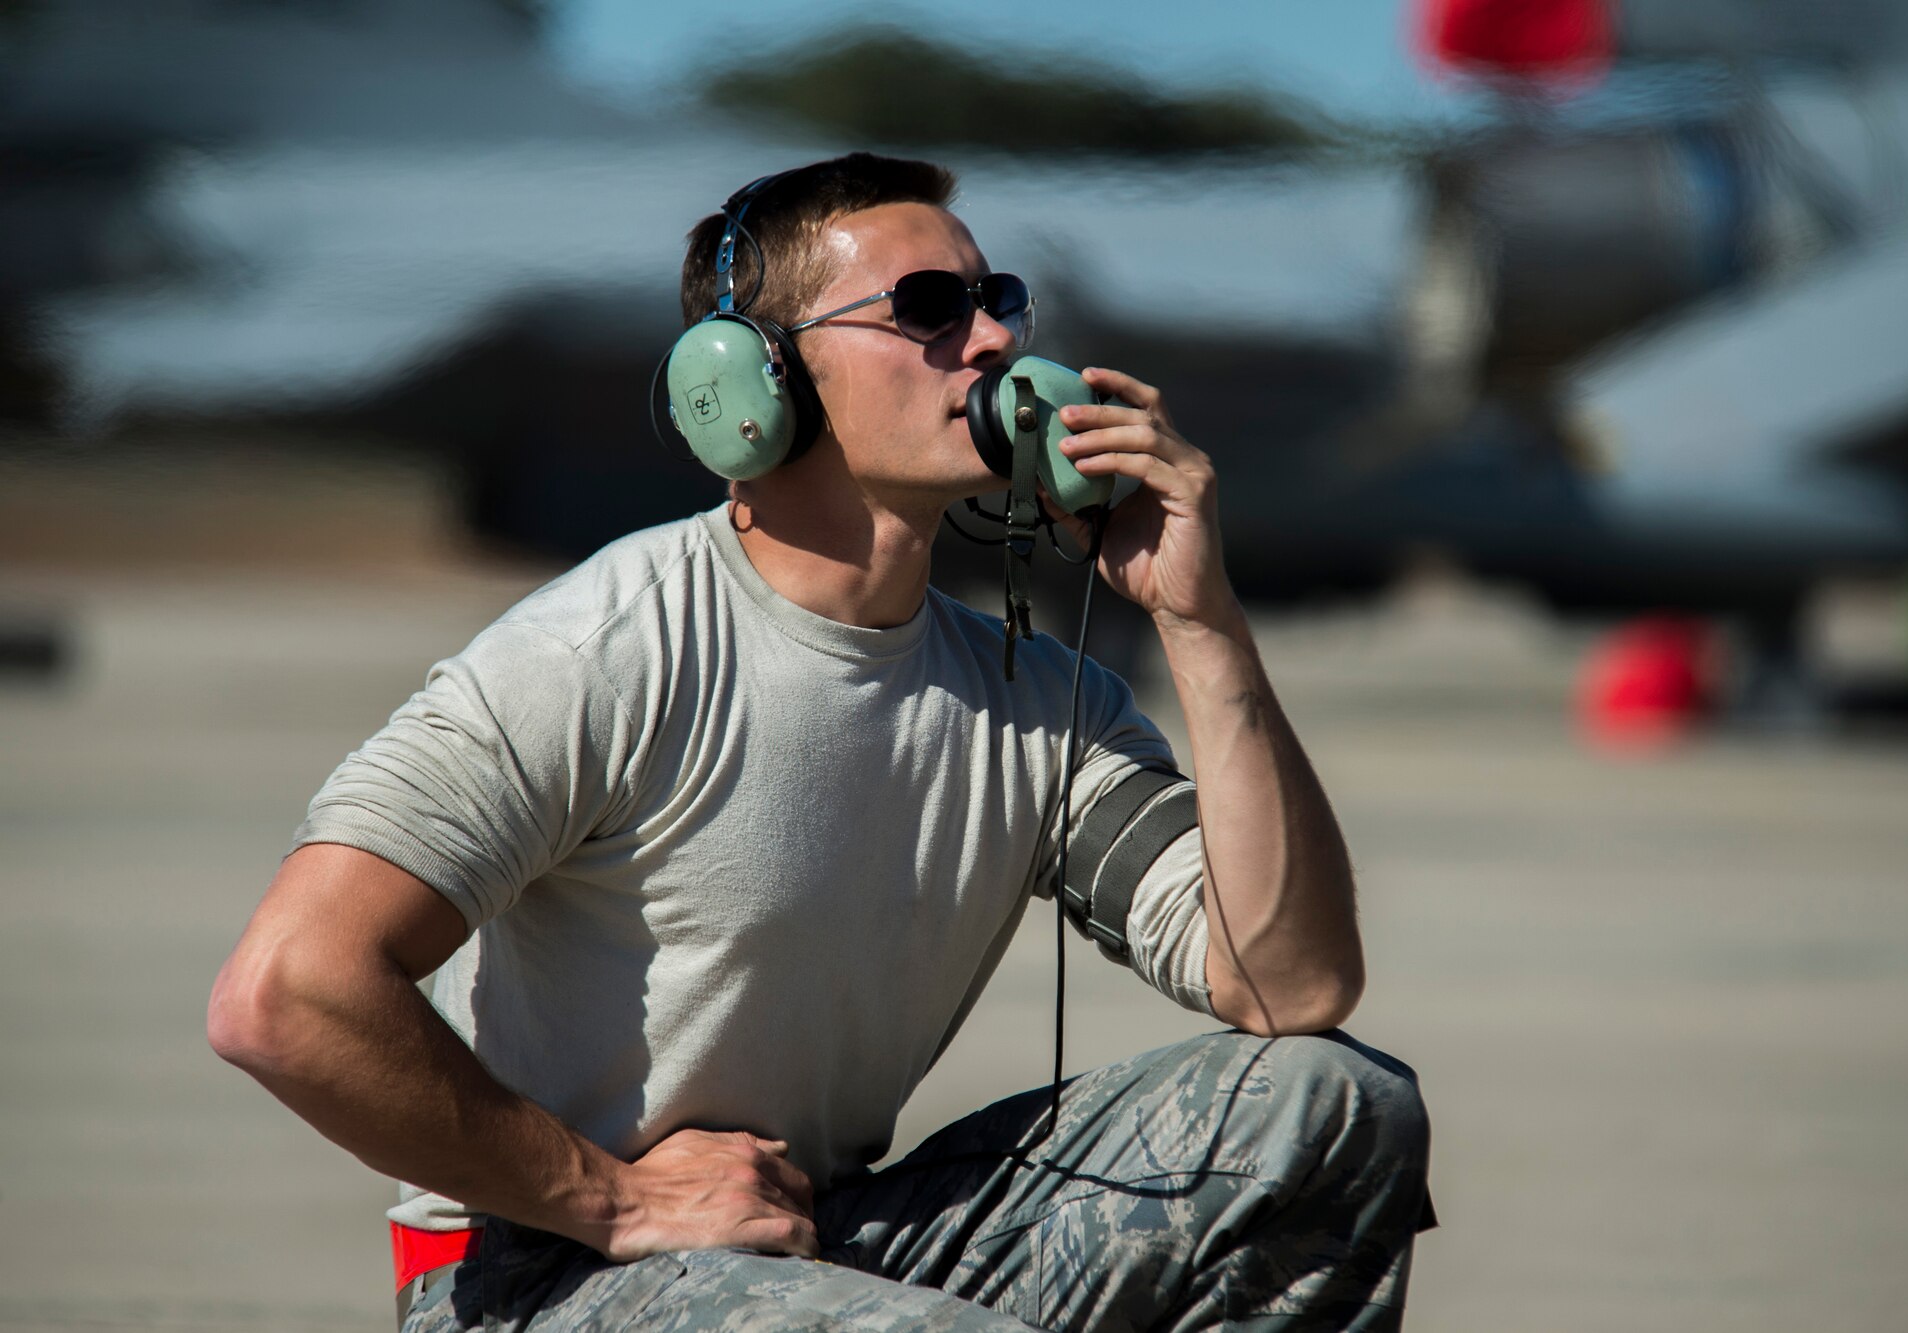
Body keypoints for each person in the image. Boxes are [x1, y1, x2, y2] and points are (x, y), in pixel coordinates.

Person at [208, 152, 1433, 1331]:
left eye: (994, 300)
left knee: (1331, 1105)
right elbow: (289, 993)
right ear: (754, 385)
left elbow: (1289, 983)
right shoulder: (609, 646)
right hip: (545, 1269)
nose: (997, 339)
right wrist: (612, 1194)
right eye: (928, 309)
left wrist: (1198, 622)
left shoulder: (1033, 695)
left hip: (820, 1233)